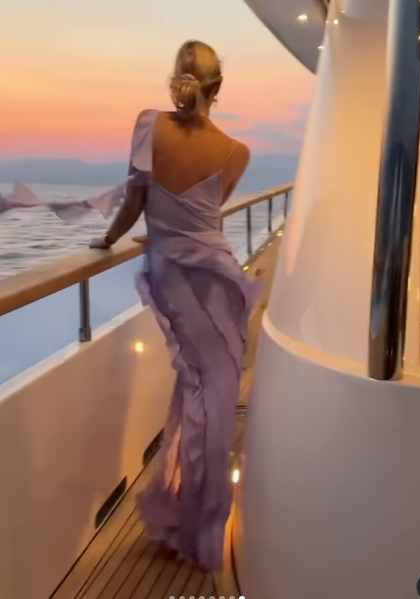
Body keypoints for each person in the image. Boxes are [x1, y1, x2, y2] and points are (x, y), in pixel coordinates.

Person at [89, 40, 256, 571]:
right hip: (219, 278)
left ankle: (184, 511)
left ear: (176, 80)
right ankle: (198, 521)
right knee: (214, 394)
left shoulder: (148, 123)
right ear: (218, 87)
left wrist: (107, 240)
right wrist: (169, 228)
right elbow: (207, 215)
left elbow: (135, 202)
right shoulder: (237, 151)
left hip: (172, 274)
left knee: (195, 388)